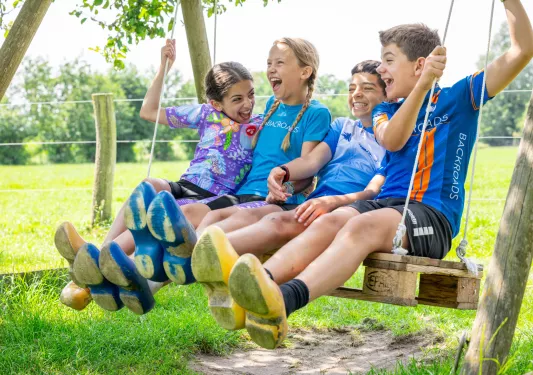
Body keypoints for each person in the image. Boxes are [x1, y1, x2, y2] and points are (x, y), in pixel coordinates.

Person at [202, 1, 533, 349]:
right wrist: (419, 89)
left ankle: (284, 300)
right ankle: (256, 289)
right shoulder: (385, 110)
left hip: (430, 216)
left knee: (361, 226)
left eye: (389, 59)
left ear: (419, 66)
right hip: (385, 204)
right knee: (330, 220)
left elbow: (523, 48)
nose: (381, 67)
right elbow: (393, 138)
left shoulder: (460, 98)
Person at [55, 38, 262, 312]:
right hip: (187, 184)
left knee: (158, 215)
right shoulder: (205, 114)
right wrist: (163, 68)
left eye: (251, 94)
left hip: (214, 197)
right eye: (238, 98)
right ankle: (103, 252)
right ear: (216, 103)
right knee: (148, 185)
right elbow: (148, 111)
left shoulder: (259, 125)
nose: (247, 104)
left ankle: (98, 262)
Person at [190, 59, 389, 330]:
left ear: (386, 93)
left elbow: (373, 191)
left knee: (278, 222)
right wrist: (282, 171)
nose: (356, 94)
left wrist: (333, 201)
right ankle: (211, 261)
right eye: (352, 87)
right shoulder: (343, 127)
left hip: (348, 210)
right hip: (314, 202)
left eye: (367, 88)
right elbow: (311, 162)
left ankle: (206, 255)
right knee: (267, 214)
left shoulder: (391, 140)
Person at [141, 37, 331, 285]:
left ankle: (172, 272)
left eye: (280, 62)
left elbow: (308, 167)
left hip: (274, 200)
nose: (271, 68)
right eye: (269, 62)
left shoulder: (316, 113)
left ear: (305, 71)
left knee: (229, 222)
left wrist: (284, 188)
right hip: (243, 193)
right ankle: (147, 269)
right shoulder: (272, 107)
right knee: (198, 214)